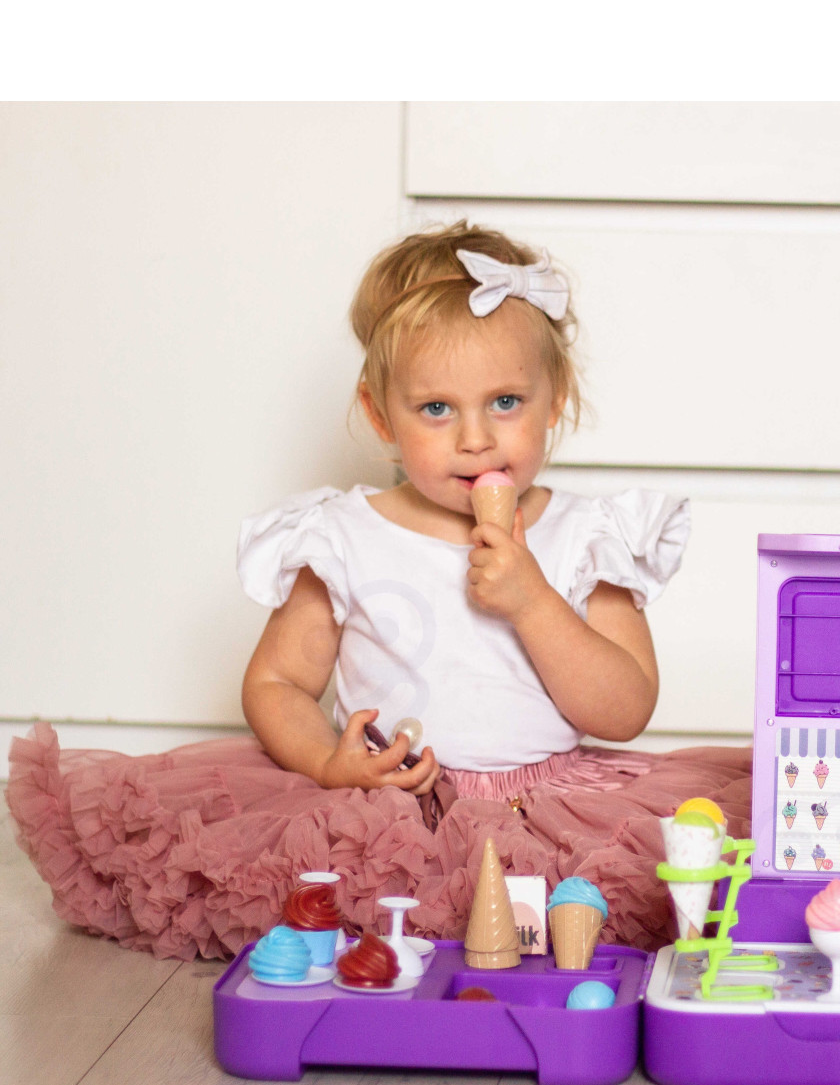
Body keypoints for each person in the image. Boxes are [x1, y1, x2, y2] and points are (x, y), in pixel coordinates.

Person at [6, 221, 750, 960]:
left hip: (549, 812)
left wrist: (533, 600)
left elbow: (625, 709)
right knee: (360, 931)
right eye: (436, 409)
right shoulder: (344, 536)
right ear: (379, 413)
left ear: (555, 401)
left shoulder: (587, 536)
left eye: (505, 402)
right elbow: (276, 683)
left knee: (619, 912)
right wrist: (330, 763)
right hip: (391, 820)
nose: (475, 438)